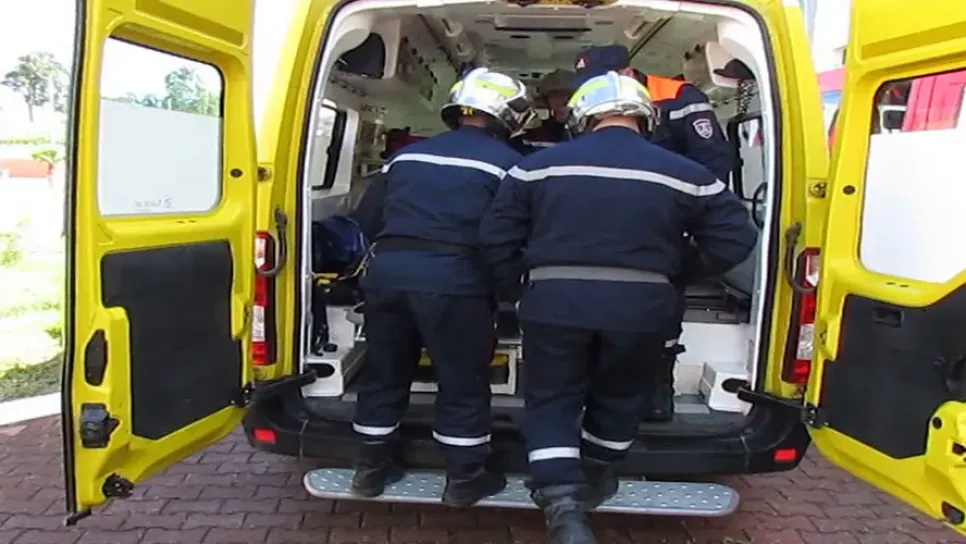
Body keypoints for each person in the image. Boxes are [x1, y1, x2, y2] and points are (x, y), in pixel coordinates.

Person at [479, 71, 756, 542]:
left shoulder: (536, 167)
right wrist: (675, 271)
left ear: (582, 118)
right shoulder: (686, 173)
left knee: (552, 398)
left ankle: (562, 503)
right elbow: (736, 236)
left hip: (554, 302)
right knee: (622, 394)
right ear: (646, 118)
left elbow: (496, 238)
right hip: (643, 306)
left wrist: (518, 289)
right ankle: (597, 473)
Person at [349, 67, 535, 506]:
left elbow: (365, 221)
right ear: (509, 115)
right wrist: (510, 289)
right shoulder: (511, 166)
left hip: (388, 277)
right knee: (462, 379)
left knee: (384, 373)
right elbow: (511, 234)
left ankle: (369, 470)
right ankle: (465, 476)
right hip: (456, 281)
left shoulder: (405, 157)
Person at [573, 44, 736, 422]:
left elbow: (713, 161)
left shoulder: (678, 97)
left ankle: (659, 386)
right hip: (606, 218)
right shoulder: (592, 100)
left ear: (628, 74)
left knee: (664, 303)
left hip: (665, 216)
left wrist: (694, 223)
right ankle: (595, 388)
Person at [511, 69, 574, 154]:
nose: (565, 100)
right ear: (546, 100)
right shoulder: (530, 137)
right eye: (556, 95)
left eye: (570, 95)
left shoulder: (588, 133)